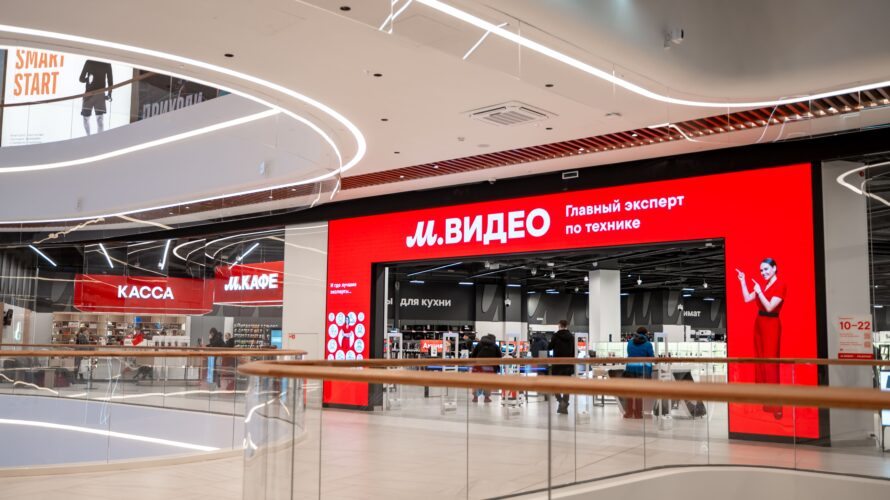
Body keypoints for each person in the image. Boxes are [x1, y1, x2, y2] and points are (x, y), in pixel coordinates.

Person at [737, 258, 786, 419]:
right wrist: (743, 281)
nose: (763, 273)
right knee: (761, 363)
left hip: (771, 325)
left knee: (771, 364)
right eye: (761, 270)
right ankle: (766, 403)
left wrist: (759, 291)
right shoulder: (764, 285)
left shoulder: (780, 285)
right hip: (759, 325)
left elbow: (770, 307)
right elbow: (746, 298)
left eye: (766, 269)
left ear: (774, 268)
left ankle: (776, 406)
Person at [624, 327, 654, 419]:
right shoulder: (648, 344)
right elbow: (652, 357)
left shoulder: (630, 342)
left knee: (629, 392)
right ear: (646, 334)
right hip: (642, 370)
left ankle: (629, 413)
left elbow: (629, 354)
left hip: (630, 369)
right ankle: (638, 414)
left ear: (636, 333)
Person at [79, 59, 114, 135]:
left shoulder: (90, 62)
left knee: (88, 119)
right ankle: (96, 138)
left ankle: (90, 137)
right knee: (99, 119)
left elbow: (81, 79)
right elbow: (110, 81)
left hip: (90, 93)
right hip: (97, 94)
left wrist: (88, 79)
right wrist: (109, 94)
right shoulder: (106, 63)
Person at [547, 320, 575, 414]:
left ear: (559, 325)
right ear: (566, 326)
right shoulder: (571, 337)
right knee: (567, 386)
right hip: (568, 365)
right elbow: (574, 351)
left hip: (557, 365)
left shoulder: (555, 336)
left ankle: (561, 402)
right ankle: (564, 406)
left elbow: (549, 347)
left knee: (555, 385)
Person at [469, 334, 501, 403]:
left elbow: (473, 355)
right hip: (490, 367)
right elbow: (499, 357)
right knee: (488, 382)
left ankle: (475, 397)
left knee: (476, 381)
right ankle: (486, 398)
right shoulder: (495, 346)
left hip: (478, 366)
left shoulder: (479, 344)